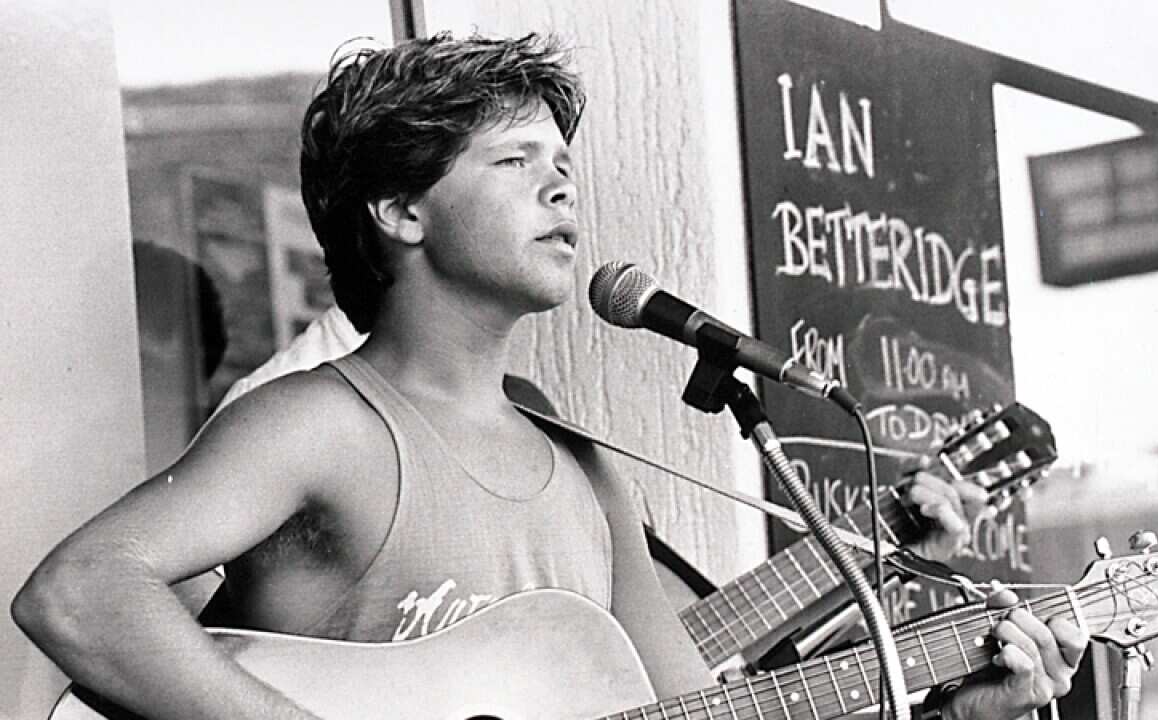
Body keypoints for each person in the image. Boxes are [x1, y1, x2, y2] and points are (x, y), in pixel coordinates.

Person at [12, 31, 1085, 720]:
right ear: (400, 211)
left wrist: (948, 710)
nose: (560, 191)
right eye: (514, 164)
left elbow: (695, 718)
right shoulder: (319, 425)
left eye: (563, 170)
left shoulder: (585, 473)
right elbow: (80, 591)